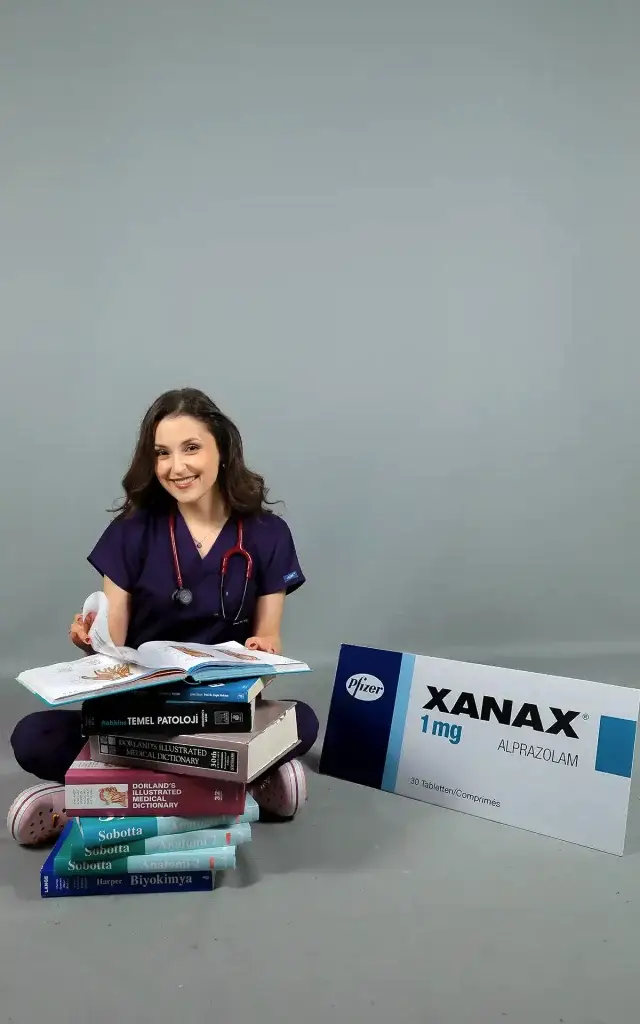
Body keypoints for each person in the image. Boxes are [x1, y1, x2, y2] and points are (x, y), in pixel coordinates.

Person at [7, 387, 318, 846]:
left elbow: (268, 639)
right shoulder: (131, 531)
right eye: (162, 453)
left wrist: (262, 653)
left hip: (221, 713)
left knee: (301, 722)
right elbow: (111, 639)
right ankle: (243, 789)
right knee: (33, 737)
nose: (177, 467)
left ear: (222, 450)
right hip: (138, 714)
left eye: (191, 448)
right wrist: (91, 640)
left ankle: (88, 798)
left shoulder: (268, 534)